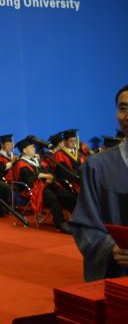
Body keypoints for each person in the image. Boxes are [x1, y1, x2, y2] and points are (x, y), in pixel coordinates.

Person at [70, 84, 128, 281]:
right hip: (117, 277)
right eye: (123, 108)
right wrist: (111, 248)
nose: (127, 115)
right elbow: (85, 223)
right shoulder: (97, 166)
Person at [12, 136, 76, 234]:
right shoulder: (20, 164)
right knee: (52, 197)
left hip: (46, 186)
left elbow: (49, 171)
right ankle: (61, 223)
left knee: (66, 194)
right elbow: (28, 179)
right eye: (31, 147)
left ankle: (78, 218)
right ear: (24, 150)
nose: (34, 149)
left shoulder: (37, 161)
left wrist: (49, 177)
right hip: (33, 189)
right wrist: (44, 175)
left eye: (34, 147)